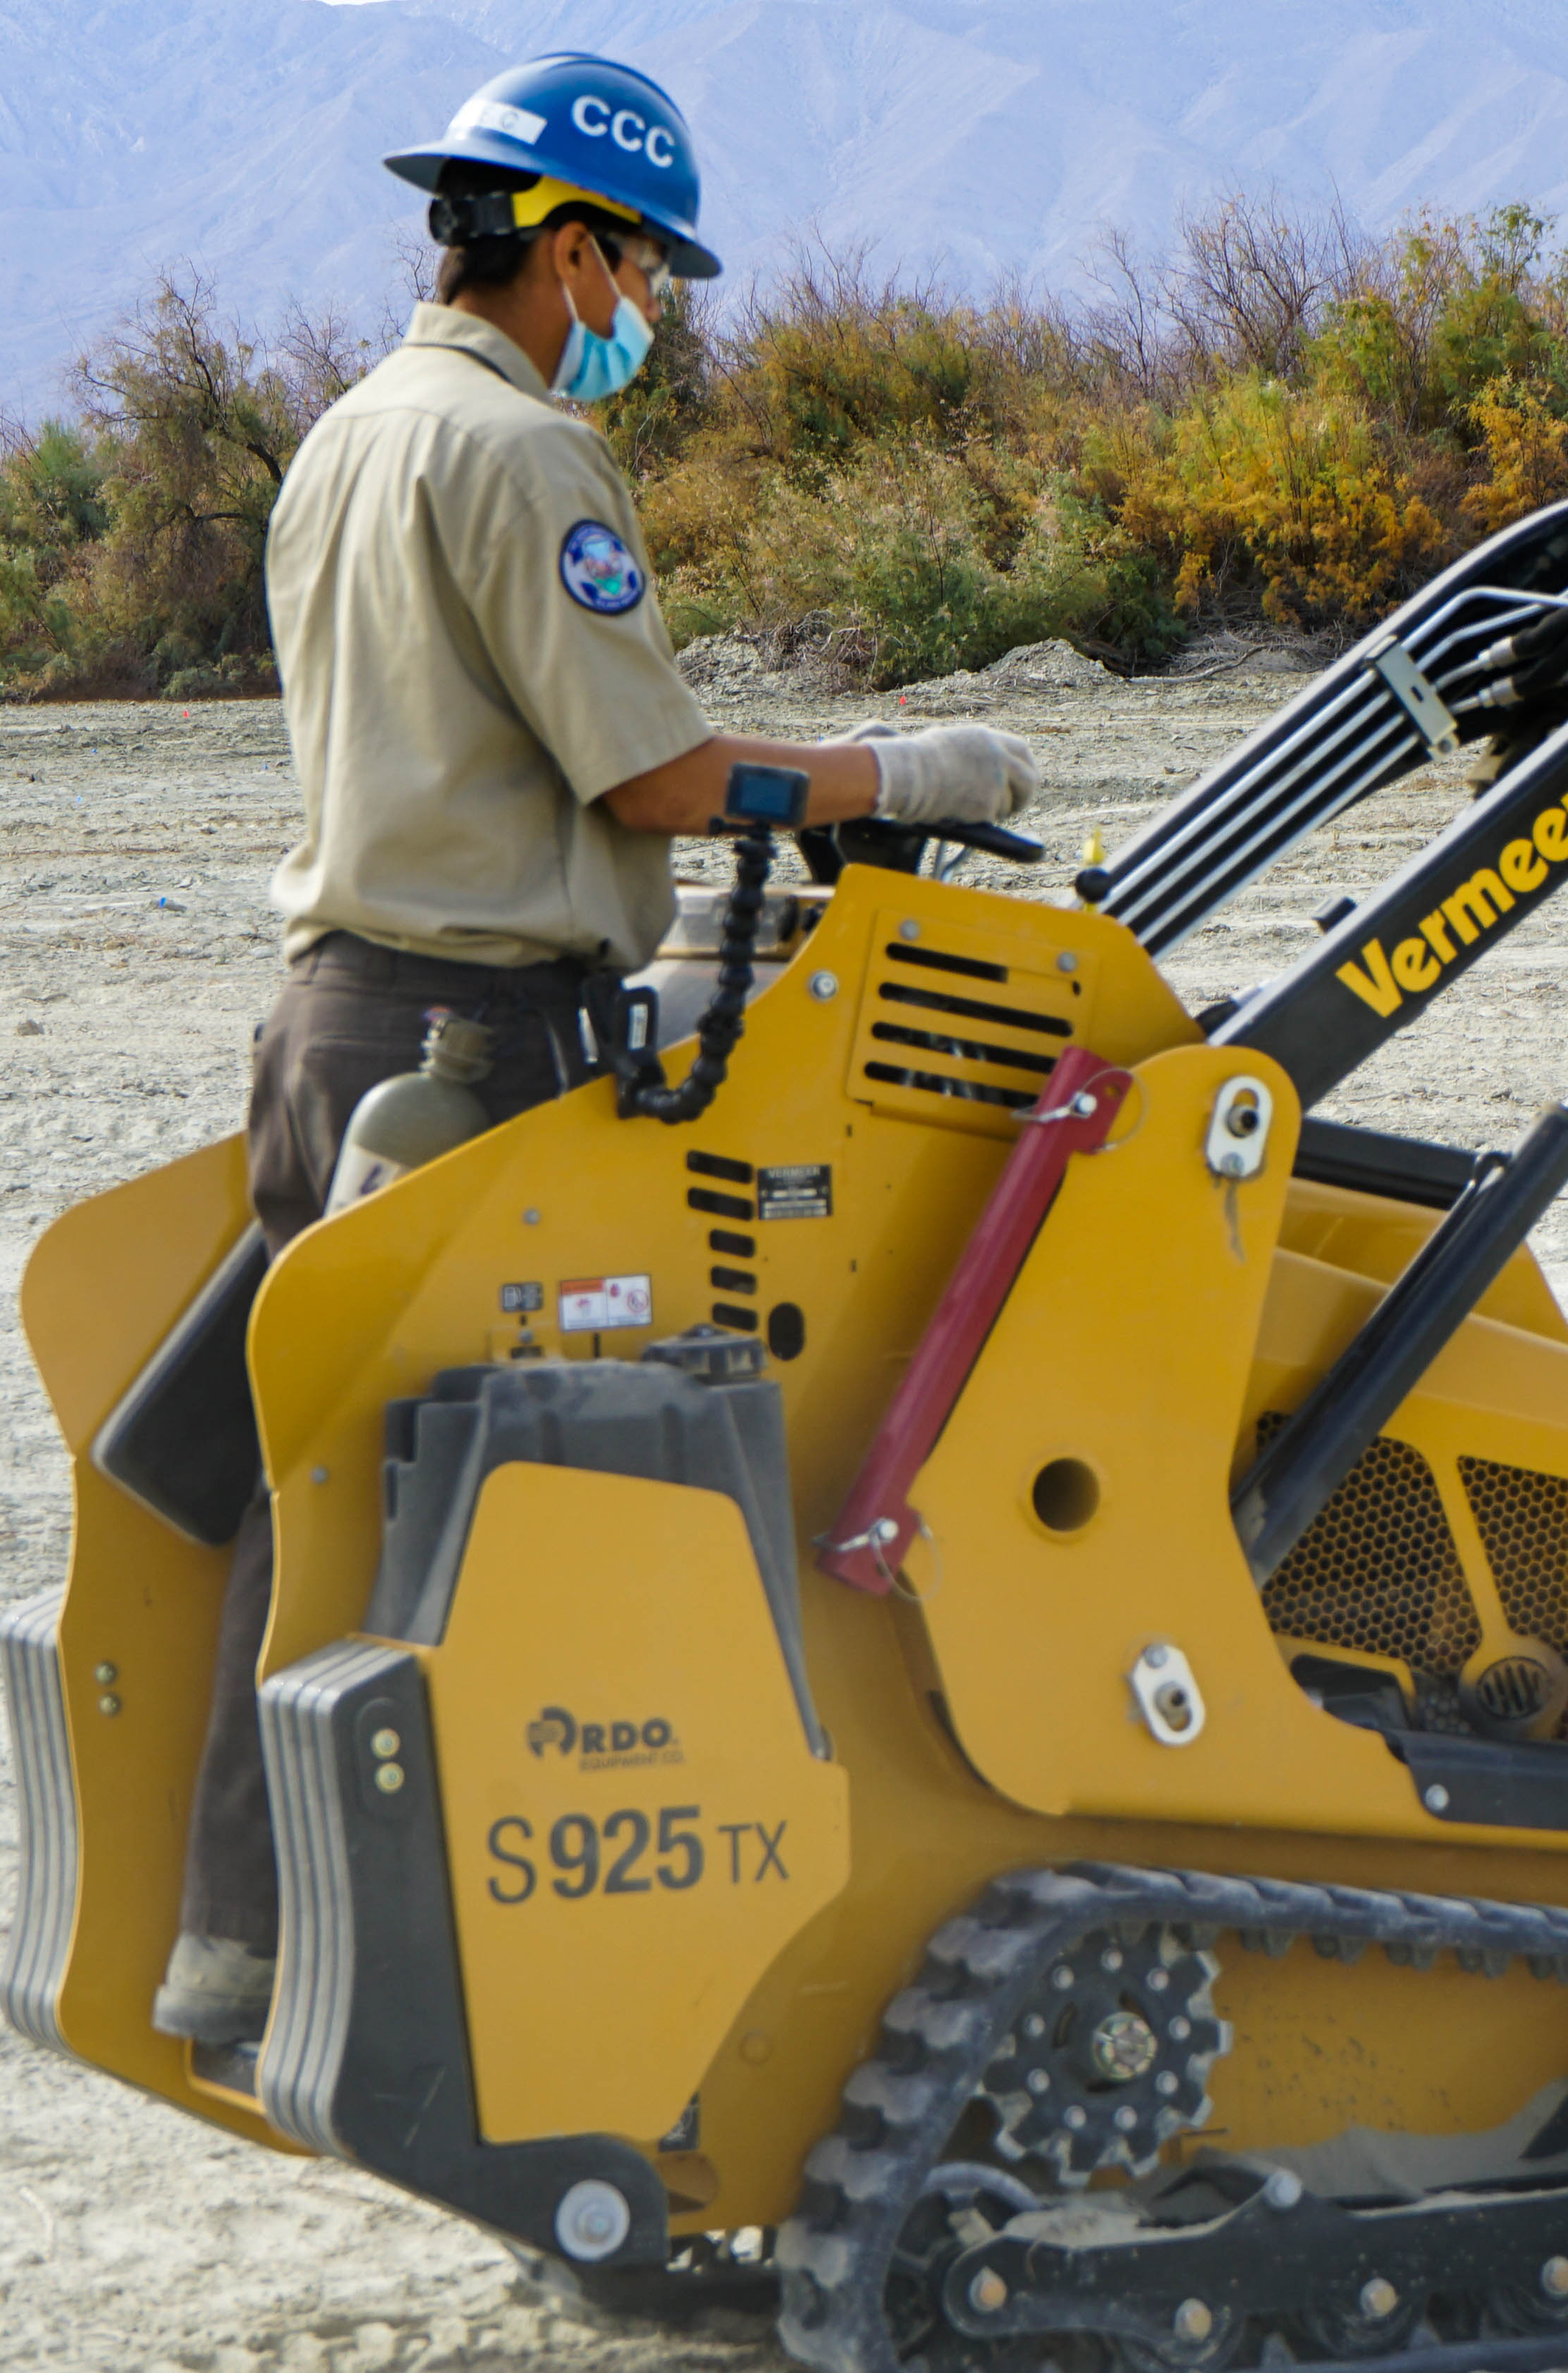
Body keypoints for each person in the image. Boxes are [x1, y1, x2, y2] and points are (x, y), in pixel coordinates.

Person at [154, 53, 1044, 2045]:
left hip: (328, 1023)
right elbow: (651, 777)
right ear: (569, 246)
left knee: (322, 1487)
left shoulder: (347, 435)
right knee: (537, 1498)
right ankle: (532, 1974)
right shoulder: (525, 457)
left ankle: (245, 1932)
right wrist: (897, 765)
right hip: (473, 1052)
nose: (651, 313)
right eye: (643, 270)